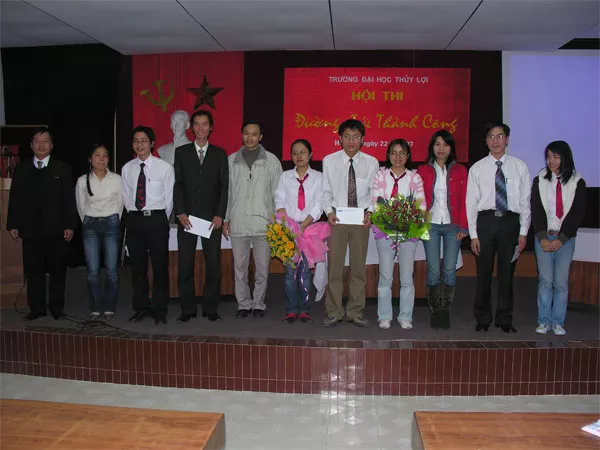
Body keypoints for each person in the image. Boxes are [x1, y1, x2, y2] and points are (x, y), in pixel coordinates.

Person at [7, 126, 77, 320]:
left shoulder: (62, 168)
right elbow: (15, 199)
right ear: (31, 145)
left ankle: (56, 307)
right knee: (34, 271)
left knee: (57, 271)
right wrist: (12, 224)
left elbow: (69, 200)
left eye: (45, 141)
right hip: (30, 230)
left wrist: (70, 225)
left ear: (52, 145)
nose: (41, 145)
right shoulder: (21, 169)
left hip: (56, 229)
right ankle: (36, 308)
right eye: (37, 141)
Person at [466, 123, 530, 333]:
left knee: (507, 273)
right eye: (491, 136)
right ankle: (483, 318)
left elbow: (525, 202)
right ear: (486, 141)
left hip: (510, 223)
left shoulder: (520, 167)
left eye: (500, 136)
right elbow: (471, 203)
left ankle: (505, 318)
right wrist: (473, 235)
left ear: (507, 139)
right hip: (485, 222)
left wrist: (523, 231)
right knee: (483, 273)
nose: (495, 141)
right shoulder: (477, 169)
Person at [321, 119, 379, 327]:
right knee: (334, 267)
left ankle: (355, 311)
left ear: (363, 139)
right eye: (347, 136)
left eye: (356, 137)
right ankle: (334, 311)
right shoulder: (329, 161)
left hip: (361, 220)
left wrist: (370, 213)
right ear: (340, 139)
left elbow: (374, 193)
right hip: (337, 219)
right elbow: (325, 192)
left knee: (358, 268)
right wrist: (329, 212)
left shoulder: (372, 162)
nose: (351, 141)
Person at [222, 120, 282, 318]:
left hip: (263, 223)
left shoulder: (271, 161)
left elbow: (278, 194)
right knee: (239, 267)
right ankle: (243, 304)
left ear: (260, 137)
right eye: (246, 133)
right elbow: (227, 193)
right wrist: (226, 218)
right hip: (238, 221)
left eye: (254, 134)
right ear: (242, 135)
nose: (250, 137)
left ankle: (258, 303)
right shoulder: (231, 161)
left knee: (262, 268)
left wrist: (276, 221)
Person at [174, 110, 228, 323]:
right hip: (186, 218)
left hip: (211, 220)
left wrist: (219, 214)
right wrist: (180, 212)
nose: (200, 128)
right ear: (192, 127)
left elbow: (224, 188)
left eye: (205, 124)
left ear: (211, 127)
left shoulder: (219, 154)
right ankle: (187, 309)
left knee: (213, 265)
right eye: (196, 124)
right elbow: (178, 185)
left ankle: (210, 308)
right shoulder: (182, 153)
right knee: (185, 265)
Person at [531, 141, 586, 336]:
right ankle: (544, 321)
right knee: (545, 281)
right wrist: (542, 237)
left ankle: (558, 322)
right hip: (544, 237)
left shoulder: (577, 181)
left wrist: (561, 239)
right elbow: (536, 209)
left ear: (565, 158)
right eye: (548, 157)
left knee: (560, 283)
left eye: (555, 157)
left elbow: (577, 213)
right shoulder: (540, 180)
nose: (551, 161)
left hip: (565, 239)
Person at [121, 126, 174, 325]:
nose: (139, 144)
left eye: (144, 141)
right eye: (136, 141)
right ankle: (141, 307)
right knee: (137, 266)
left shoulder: (164, 167)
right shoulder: (127, 168)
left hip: (157, 220)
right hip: (135, 220)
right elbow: (127, 197)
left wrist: (158, 218)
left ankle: (160, 308)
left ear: (152, 143)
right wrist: (135, 216)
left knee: (160, 265)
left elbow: (169, 200)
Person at [371, 139, 426, 330]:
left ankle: (405, 316)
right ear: (388, 155)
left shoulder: (415, 178)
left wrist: (407, 223)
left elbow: (421, 205)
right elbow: (376, 203)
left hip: (408, 232)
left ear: (408, 156)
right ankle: (384, 316)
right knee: (385, 277)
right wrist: (390, 222)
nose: (397, 157)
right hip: (385, 231)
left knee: (406, 278)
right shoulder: (380, 175)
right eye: (394, 153)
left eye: (402, 153)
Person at [417, 130, 468, 330]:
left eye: (445, 144)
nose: (441, 148)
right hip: (430, 225)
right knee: (432, 268)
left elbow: (465, 200)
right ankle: (434, 309)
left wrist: (464, 226)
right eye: (437, 144)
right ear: (432, 147)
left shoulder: (460, 171)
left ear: (451, 148)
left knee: (448, 269)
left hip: (452, 225)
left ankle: (445, 310)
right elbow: (417, 198)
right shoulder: (423, 170)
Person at [275, 139, 323, 324]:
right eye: (295, 153)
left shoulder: (319, 177)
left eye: (303, 152)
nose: (299, 156)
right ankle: (291, 309)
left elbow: (319, 204)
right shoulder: (285, 176)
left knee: (305, 272)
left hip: (309, 229)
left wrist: (304, 224)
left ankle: (304, 309)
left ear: (310, 154)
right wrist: (289, 225)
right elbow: (279, 200)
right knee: (290, 272)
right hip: (289, 230)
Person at [75, 144, 123, 321]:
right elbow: (81, 206)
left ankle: (109, 306)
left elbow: (120, 205)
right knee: (93, 270)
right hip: (90, 225)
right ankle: (96, 306)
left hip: (111, 223)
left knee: (112, 270)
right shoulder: (82, 180)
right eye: (97, 155)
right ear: (90, 159)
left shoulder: (116, 179)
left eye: (105, 155)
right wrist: (90, 220)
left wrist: (112, 220)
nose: (102, 159)